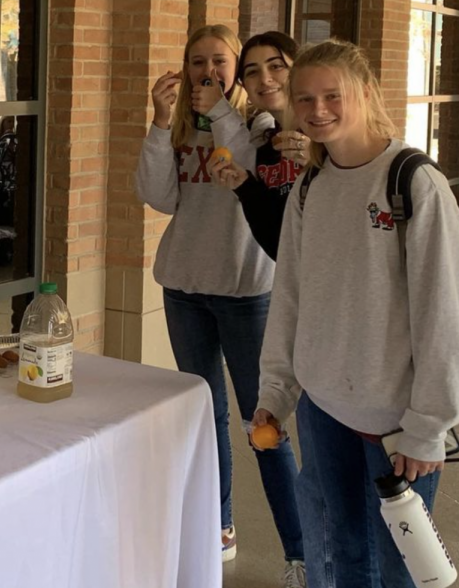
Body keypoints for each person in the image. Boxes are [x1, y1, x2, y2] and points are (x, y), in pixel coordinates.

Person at [253, 40, 459, 587]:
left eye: (332, 95)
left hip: (394, 424)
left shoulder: (414, 183)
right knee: (341, 558)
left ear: (365, 93)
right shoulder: (309, 186)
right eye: (305, 99)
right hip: (323, 412)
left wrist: (427, 428)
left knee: (399, 569)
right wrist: (276, 394)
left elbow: (443, 317)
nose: (318, 110)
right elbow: (290, 297)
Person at [135, 24, 306, 585]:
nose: (208, 71)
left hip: (247, 294)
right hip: (184, 288)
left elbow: (261, 178)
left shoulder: (261, 122)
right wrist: (162, 126)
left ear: (237, 70)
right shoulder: (186, 125)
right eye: (197, 62)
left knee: (265, 424)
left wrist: (221, 114)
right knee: (204, 418)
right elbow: (159, 196)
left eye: (221, 61)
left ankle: (300, 551)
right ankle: (221, 524)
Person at [209, 32, 311, 260]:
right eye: (253, 72)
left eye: (276, 66)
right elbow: (277, 245)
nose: (265, 79)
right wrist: (245, 186)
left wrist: (321, 161)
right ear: (243, 85)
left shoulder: (327, 137)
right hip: (298, 288)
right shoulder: (267, 151)